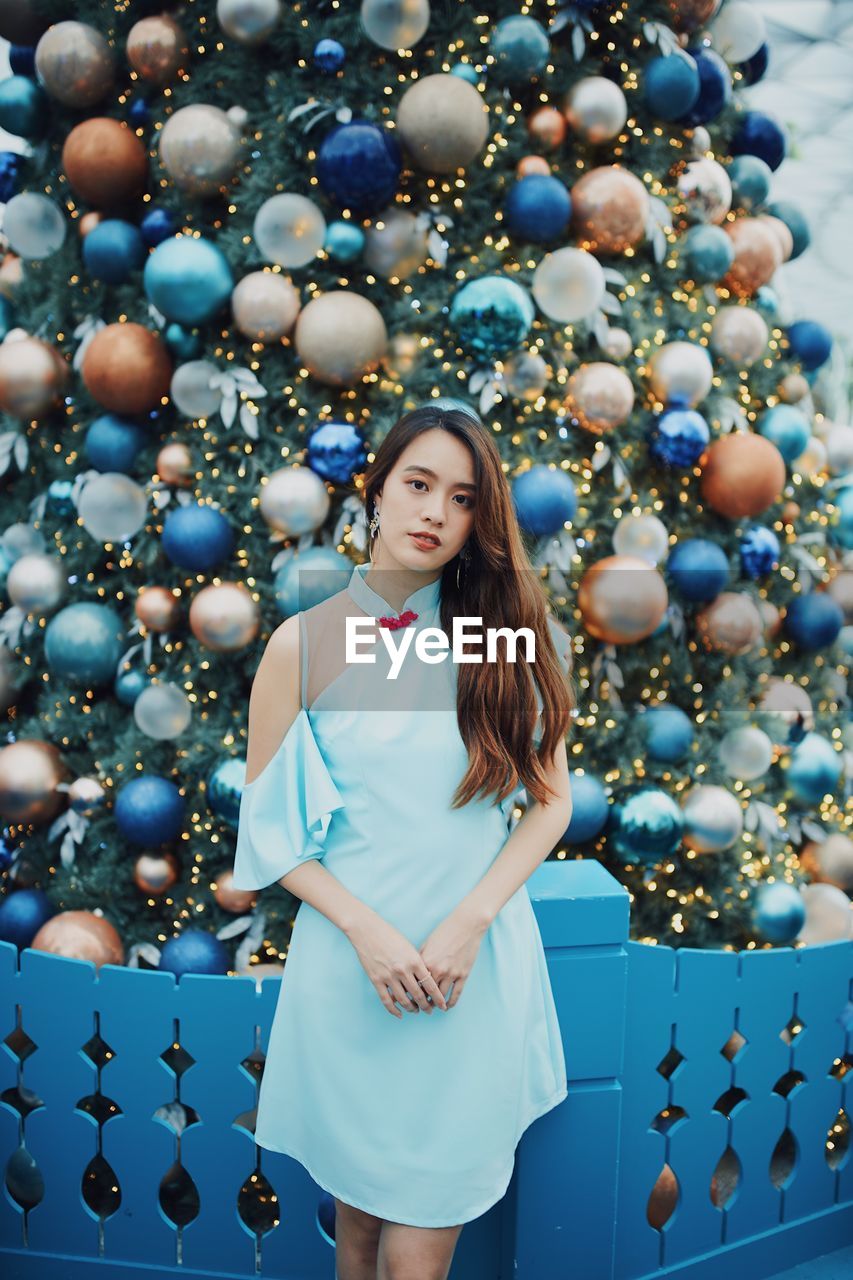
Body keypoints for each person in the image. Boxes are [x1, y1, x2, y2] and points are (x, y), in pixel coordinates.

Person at [232, 404, 575, 1280]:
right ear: (375, 491)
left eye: (460, 499)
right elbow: (273, 836)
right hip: (353, 974)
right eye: (417, 485)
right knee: (354, 1239)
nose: (433, 512)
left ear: (477, 522)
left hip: (468, 976)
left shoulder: (500, 642)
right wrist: (369, 935)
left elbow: (548, 803)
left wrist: (470, 924)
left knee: (416, 1254)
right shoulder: (299, 647)